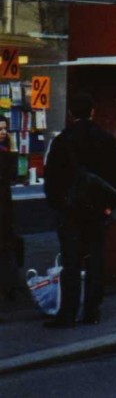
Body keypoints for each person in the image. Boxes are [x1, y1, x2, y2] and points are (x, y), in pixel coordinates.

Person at [42, 93, 116, 329]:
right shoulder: (105, 139)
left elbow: (52, 178)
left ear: (70, 114)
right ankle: (92, 310)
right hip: (97, 210)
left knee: (71, 262)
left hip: (69, 210)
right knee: (95, 260)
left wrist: (58, 204)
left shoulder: (62, 141)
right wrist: (108, 205)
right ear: (92, 112)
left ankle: (68, 313)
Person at [0, 116, 21, 304]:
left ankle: (8, 287)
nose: (3, 132)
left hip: (4, 205)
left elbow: (14, 175)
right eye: (0, 129)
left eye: (5, 129)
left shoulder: (6, 151)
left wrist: (13, 149)